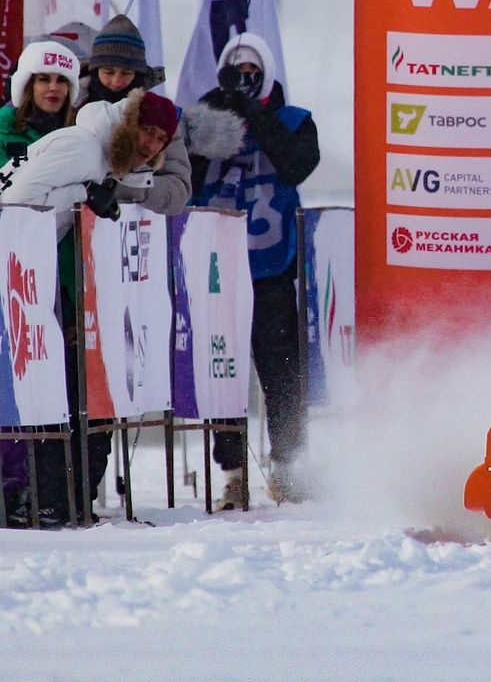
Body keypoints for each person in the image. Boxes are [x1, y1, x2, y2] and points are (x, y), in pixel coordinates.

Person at [0, 89, 179, 524]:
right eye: (146, 130)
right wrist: (83, 191)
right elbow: (15, 202)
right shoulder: (82, 147)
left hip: (24, 272)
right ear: (127, 123)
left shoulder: (102, 158)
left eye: (160, 139)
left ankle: (49, 500)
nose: (150, 143)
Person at [180, 32, 319, 508]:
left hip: (271, 267)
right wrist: (216, 112)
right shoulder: (202, 122)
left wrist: (254, 111)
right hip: (217, 271)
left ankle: (287, 467)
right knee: (224, 376)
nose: (243, 81)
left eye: (252, 74)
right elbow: (185, 178)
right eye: (234, 74)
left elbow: (297, 166)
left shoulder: (295, 121)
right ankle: (233, 473)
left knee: (282, 375)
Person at [0, 39, 79, 523]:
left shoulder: (81, 138)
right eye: (43, 79)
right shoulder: (3, 130)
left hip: (61, 279)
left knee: (56, 389)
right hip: (10, 275)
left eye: (61, 81)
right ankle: (12, 490)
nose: (52, 89)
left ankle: (49, 493)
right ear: (26, 84)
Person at [80, 14, 192, 214]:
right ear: (95, 70)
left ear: (138, 75)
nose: (116, 82)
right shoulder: (70, 103)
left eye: (126, 73)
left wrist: (125, 188)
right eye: (108, 72)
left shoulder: (161, 118)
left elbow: (179, 191)